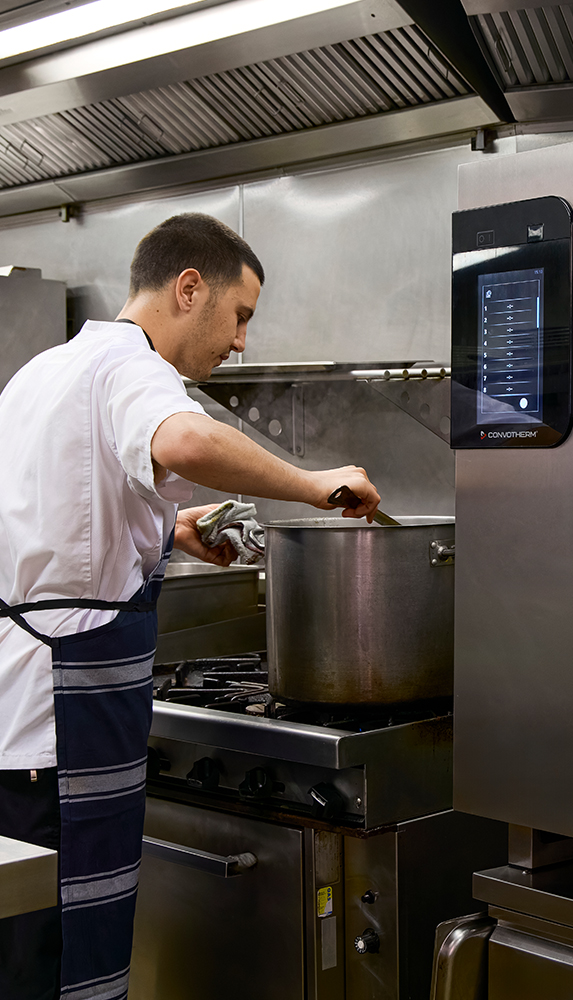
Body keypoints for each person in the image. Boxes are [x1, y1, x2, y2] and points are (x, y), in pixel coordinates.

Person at [0, 213, 381, 1000]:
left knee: (24, 956)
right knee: (58, 965)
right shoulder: (132, 365)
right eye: (241, 315)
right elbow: (183, 444)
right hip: (61, 733)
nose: (241, 341)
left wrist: (167, 531)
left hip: (18, 725)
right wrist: (316, 482)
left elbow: (53, 529)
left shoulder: (44, 369)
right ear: (188, 288)